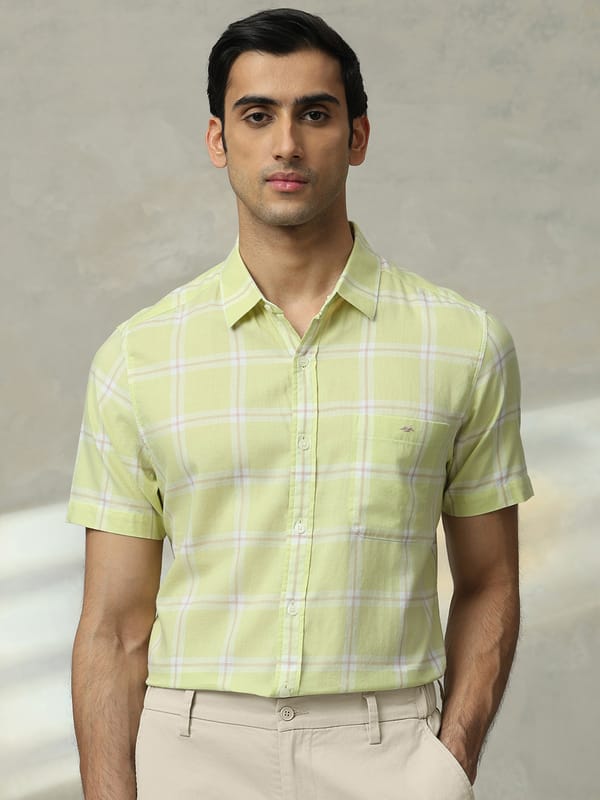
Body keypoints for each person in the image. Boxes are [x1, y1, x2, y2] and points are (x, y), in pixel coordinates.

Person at [67, 8, 533, 800]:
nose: (286, 143)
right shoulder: (139, 357)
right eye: (258, 115)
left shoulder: (462, 344)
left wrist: (449, 761)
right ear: (218, 139)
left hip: (390, 755)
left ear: (357, 137)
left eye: (315, 114)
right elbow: (113, 626)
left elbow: (490, 581)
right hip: (192, 754)